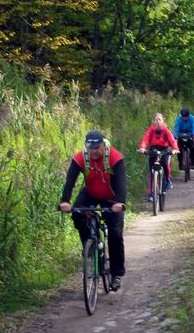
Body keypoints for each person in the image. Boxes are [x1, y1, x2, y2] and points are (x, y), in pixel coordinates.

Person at [59, 130, 126, 291]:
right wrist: (65, 201)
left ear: (103, 145)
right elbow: (70, 180)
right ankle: (90, 248)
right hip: (91, 193)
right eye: (91, 148)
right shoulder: (81, 157)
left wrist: (120, 202)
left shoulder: (115, 157)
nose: (94, 151)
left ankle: (116, 274)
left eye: (97, 148)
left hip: (111, 197)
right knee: (77, 213)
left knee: (115, 235)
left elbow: (122, 183)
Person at [139, 112, 178, 199]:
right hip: (153, 150)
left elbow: (172, 140)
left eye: (159, 119)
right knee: (151, 172)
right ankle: (151, 193)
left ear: (163, 121)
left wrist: (175, 149)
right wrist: (142, 148)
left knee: (165, 165)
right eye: (156, 120)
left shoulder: (166, 130)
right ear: (154, 121)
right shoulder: (151, 130)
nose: (158, 121)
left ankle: (168, 180)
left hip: (164, 150)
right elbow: (145, 139)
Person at [173, 107, 194, 171]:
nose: (185, 118)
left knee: (192, 148)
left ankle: (193, 163)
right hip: (181, 134)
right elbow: (176, 128)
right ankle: (180, 164)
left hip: (190, 133)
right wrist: (175, 135)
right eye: (183, 116)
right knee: (179, 150)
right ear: (181, 115)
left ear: (188, 115)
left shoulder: (192, 118)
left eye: (186, 116)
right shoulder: (179, 119)